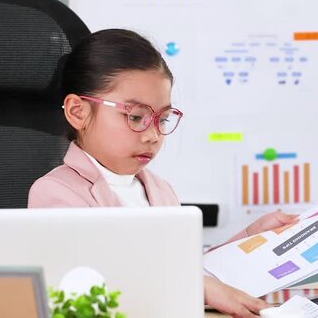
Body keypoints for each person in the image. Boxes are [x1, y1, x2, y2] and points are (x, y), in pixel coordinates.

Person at [28, 29, 297, 317]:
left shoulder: (159, 189)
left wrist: (250, 238)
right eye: (135, 116)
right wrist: (197, 286)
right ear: (78, 112)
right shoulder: (55, 193)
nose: (153, 135)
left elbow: (183, 268)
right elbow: (94, 287)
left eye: (163, 118)